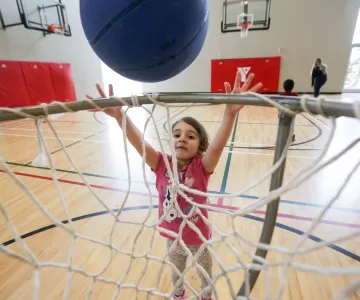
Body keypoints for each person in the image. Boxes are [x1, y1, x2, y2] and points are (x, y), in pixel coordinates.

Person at [86, 71, 263, 300]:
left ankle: (206, 296)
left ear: (200, 146)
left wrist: (229, 115)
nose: (182, 139)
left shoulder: (202, 166)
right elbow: (139, 143)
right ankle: (179, 295)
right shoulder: (161, 164)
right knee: (176, 271)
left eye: (190, 136)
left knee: (205, 272)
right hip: (173, 236)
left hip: (198, 236)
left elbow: (217, 148)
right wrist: (120, 117)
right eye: (177, 134)